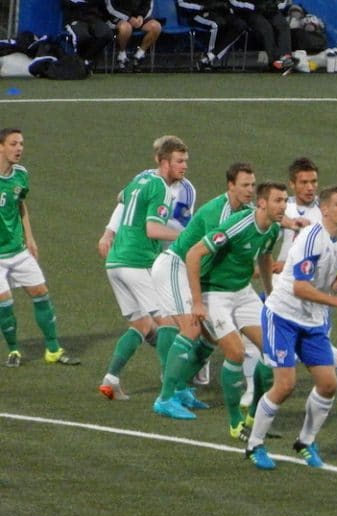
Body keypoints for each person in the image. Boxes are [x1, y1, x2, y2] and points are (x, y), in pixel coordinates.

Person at [245, 185, 337, 470]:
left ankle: (305, 441)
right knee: (285, 385)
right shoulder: (311, 238)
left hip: (312, 320)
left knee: (329, 384)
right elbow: (300, 287)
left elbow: (331, 280)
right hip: (283, 316)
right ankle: (254, 444)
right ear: (324, 209)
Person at [149, 161, 258, 419]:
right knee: (192, 328)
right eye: (244, 185)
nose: (250, 190)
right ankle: (165, 398)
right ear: (230, 186)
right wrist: (199, 301)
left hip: (192, 270)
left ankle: (180, 388)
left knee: (210, 337)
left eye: (253, 185)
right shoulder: (218, 213)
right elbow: (200, 257)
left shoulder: (246, 211)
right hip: (175, 266)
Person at [185, 181, 286, 436]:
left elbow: (265, 257)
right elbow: (194, 254)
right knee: (236, 353)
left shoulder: (274, 229)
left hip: (242, 292)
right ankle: (234, 424)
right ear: (262, 203)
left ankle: (254, 417)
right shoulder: (238, 225)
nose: (283, 206)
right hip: (214, 293)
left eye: (285, 200)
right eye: (278, 200)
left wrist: (270, 295)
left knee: (273, 351)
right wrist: (197, 302)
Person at [266, 157, 337, 410]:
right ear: (292, 184)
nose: (310, 187)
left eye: (314, 182)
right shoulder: (283, 207)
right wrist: (272, 265)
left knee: (317, 347)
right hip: (282, 286)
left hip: (314, 294)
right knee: (263, 346)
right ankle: (257, 394)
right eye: (304, 182)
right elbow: (264, 229)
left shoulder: (325, 213)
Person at [101, 137, 187, 402]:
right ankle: (170, 389)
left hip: (115, 262)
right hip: (136, 261)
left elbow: (121, 197)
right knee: (168, 321)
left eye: (185, 161)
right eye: (179, 161)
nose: (184, 166)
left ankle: (111, 379)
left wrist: (110, 232)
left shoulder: (141, 180)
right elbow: (152, 229)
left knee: (141, 324)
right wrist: (186, 237)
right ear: (164, 162)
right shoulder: (162, 188)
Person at [0, 128, 80, 368]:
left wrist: (30, 238)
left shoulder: (21, 175)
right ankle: (14, 350)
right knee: (5, 303)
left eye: (21, 144)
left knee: (41, 293)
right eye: (13, 144)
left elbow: (20, 204)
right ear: (1, 147)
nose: (19, 148)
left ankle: (53, 350)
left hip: (18, 250)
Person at [177, 0, 248, 70]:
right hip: (197, 14)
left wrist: (226, 7)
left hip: (219, 11)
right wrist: (202, 7)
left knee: (240, 25)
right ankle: (207, 60)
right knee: (215, 25)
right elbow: (181, 4)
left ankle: (210, 56)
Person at [228, 0, 294, 71]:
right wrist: (253, 7)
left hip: (269, 9)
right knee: (265, 27)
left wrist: (276, 5)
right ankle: (275, 61)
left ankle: (285, 57)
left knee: (283, 25)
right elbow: (233, 2)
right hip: (247, 11)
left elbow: (284, 2)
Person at [105, 0, 163, 71]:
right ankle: (121, 56)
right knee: (126, 28)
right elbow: (110, 6)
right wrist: (128, 18)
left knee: (156, 27)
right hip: (117, 16)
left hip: (137, 18)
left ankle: (138, 56)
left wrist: (141, 17)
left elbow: (148, 5)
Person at [61, 0, 112, 69]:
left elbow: (101, 5)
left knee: (106, 33)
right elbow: (67, 4)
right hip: (75, 18)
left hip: (93, 18)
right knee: (83, 35)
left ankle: (86, 59)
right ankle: (77, 62)